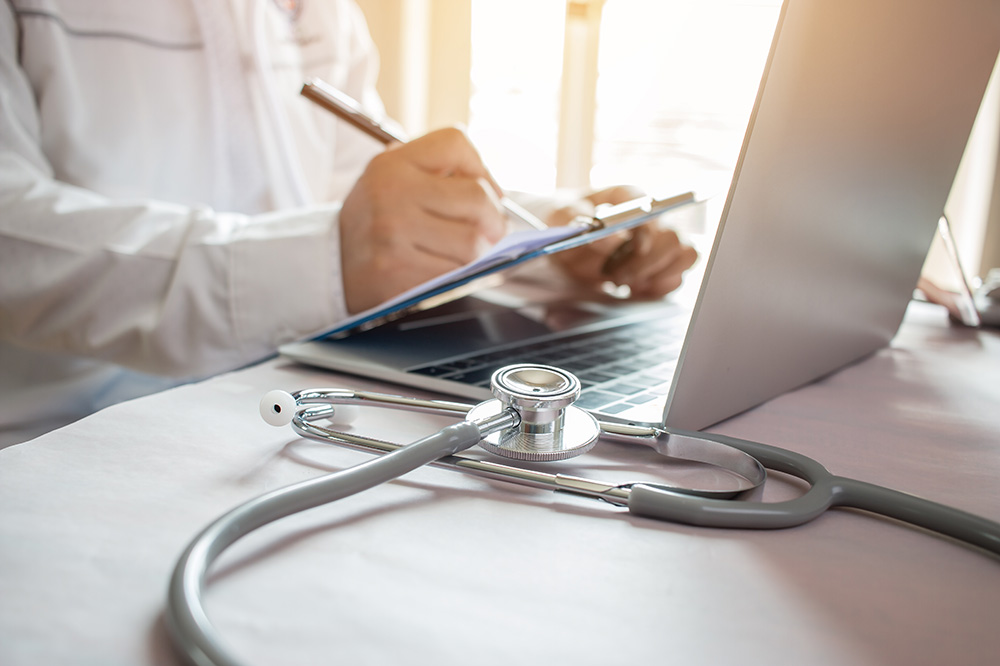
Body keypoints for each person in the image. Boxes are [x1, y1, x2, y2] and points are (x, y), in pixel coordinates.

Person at [0, 0, 697, 447]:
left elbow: (361, 207)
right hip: (64, 441)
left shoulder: (325, 12)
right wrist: (325, 260)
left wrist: (559, 235)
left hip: (293, 407)